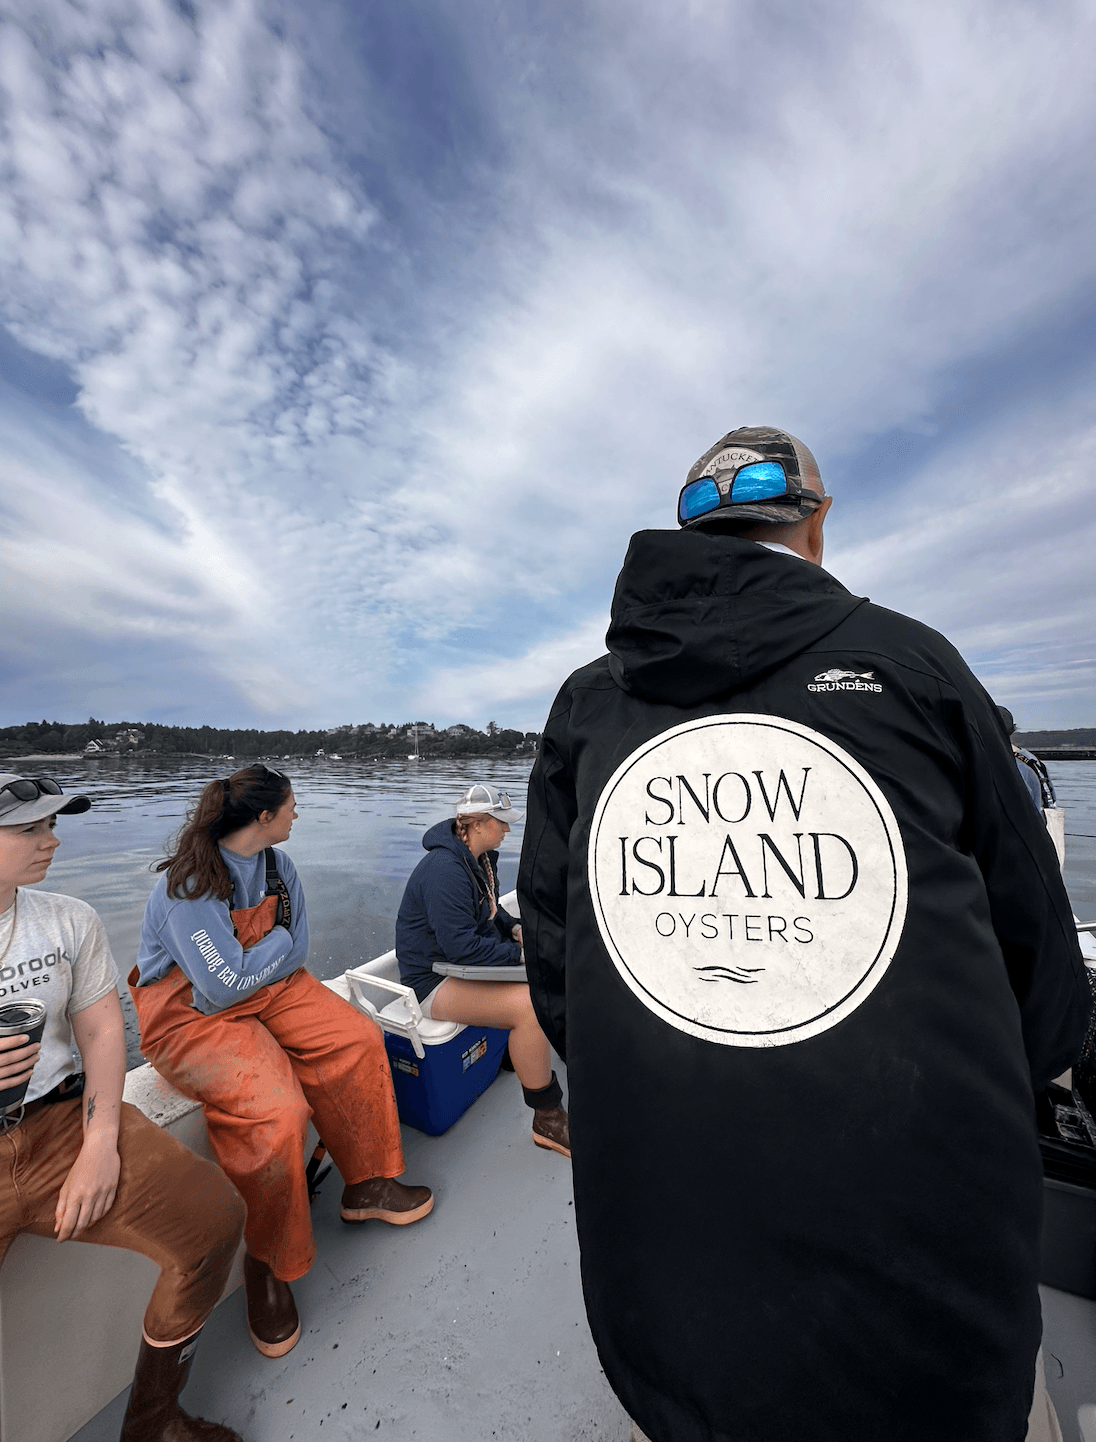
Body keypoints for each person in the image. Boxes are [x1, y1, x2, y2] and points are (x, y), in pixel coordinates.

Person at [517, 426, 1090, 1442]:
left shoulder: (586, 704)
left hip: (663, 1291)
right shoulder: (913, 660)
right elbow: (1041, 971)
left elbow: (558, 959)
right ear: (815, 521)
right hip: (925, 1315)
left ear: (686, 526)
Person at [131, 765, 433, 1361]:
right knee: (276, 1111)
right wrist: (268, 951)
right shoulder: (189, 886)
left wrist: (258, 956)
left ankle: (367, 1183)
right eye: (292, 806)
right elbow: (220, 988)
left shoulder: (277, 866)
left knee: (356, 1040)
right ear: (263, 817)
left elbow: (298, 949)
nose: (298, 815)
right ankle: (266, 1263)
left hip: (267, 986)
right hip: (192, 1015)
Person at [0, 773, 247, 1442]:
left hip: (59, 1124)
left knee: (215, 1219)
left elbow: (103, 1031)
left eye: (54, 826)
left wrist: (101, 1140)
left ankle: (154, 1421)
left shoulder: (67, 920)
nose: (51, 841)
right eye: (30, 829)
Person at [395, 783, 569, 1156]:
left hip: (460, 966)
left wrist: (514, 928)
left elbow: (491, 909)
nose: (507, 830)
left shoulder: (481, 860)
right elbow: (461, 947)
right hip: (433, 979)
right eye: (501, 823)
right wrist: (522, 957)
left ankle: (515, 1054)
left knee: (551, 971)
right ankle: (548, 1119)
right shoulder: (444, 870)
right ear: (477, 824)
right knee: (529, 1007)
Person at [997, 704, 1057, 812]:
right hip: (1040, 824)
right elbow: (1051, 801)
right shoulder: (1033, 760)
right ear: (1012, 731)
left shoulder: (996, 763)